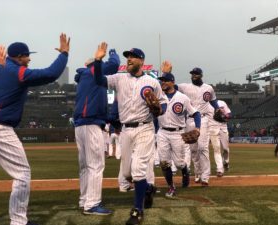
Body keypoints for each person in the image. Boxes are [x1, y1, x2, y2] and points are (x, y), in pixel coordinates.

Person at [0, 33, 70, 225]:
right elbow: (50, 74)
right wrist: (64, 54)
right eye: (27, 56)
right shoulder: (17, 71)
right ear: (19, 57)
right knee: (22, 174)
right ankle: (18, 221)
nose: (29, 59)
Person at [94, 43, 167, 225]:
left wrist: (160, 109)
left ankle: (137, 211)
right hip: (126, 130)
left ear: (141, 61)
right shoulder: (119, 78)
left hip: (144, 128)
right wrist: (97, 60)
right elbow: (99, 80)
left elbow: (163, 103)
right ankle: (148, 189)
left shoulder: (152, 82)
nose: (129, 59)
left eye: (133, 56)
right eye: (128, 56)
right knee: (126, 174)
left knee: (138, 169)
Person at [74, 45, 120, 215]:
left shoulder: (84, 76)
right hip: (91, 123)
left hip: (81, 124)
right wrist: (113, 53)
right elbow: (114, 64)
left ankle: (84, 200)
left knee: (86, 166)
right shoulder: (93, 71)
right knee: (96, 165)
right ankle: (92, 204)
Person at [162, 61, 219, 187]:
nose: (194, 75)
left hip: (202, 119)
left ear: (201, 75)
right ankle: (198, 173)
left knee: (202, 148)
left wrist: (218, 109)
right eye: (192, 74)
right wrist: (167, 73)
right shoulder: (184, 87)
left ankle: (205, 176)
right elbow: (169, 85)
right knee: (193, 149)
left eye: (196, 74)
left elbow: (214, 101)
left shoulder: (208, 88)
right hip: (188, 119)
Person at [156, 71, 201, 198]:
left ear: (172, 82)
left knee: (179, 163)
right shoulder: (158, 97)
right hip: (162, 132)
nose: (163, 82)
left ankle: (185, 170)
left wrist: (197, 128)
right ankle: (171, 187)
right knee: (164, 162)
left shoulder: (183, 98)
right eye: (162, 80)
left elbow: (196, 114)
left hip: (178, 133)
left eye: (166, 80)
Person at [209, 100, 232, 175]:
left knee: (225, 149)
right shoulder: (206, 104)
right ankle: (219, 169)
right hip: (213, 128)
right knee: (217, 149)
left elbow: (229, 114)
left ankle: (226, 162)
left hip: (223, 127)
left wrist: (224, 116)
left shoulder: (222, 103)